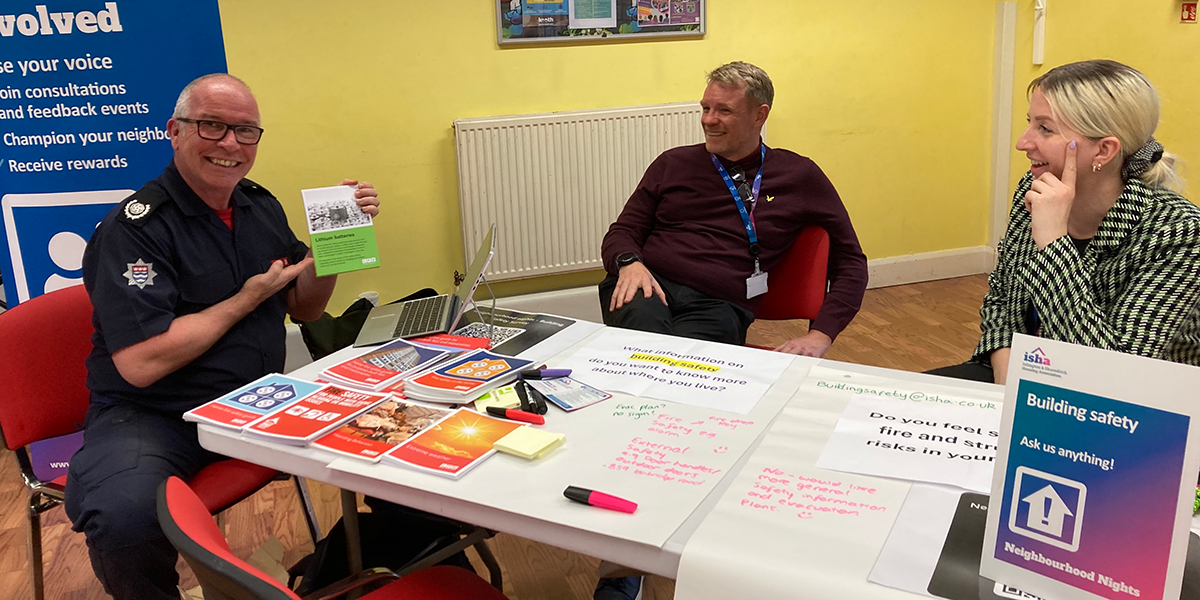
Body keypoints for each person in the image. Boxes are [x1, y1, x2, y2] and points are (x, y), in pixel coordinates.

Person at [64, 73, 381, 600]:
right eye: (212, 126)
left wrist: (337, 240)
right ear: (176, 131)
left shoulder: (260, 206)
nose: (231, 144)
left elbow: (306, 305)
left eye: (246, 131)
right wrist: (247, 298)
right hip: (156, 415)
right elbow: (141, 363)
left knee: (395, 433)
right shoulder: (135, 229)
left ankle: (389, 559)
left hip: (256, 401)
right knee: (124, 514)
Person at [930, 59, 1200, 384]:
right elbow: (1002, 295)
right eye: (1030, 122)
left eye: (1044, 128)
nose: (1022, 142)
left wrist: (1054, 244)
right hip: (1028, 377)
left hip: (1127, 408)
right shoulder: (1035, 190)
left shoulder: (1178, 230)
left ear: (1104, 151)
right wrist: (1005, 373)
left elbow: (1112, 374)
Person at [599, 61, 868, 357]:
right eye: (705, 108)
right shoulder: (672, 164)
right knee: (642, 354)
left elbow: (851, 262)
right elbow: (624, 230)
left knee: (681, 370)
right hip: (647, 282)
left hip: (719, 303)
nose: (709, 120)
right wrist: (628, 262)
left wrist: (821, 334)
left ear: (759, 115)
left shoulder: (799, 176)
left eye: (724, 111)